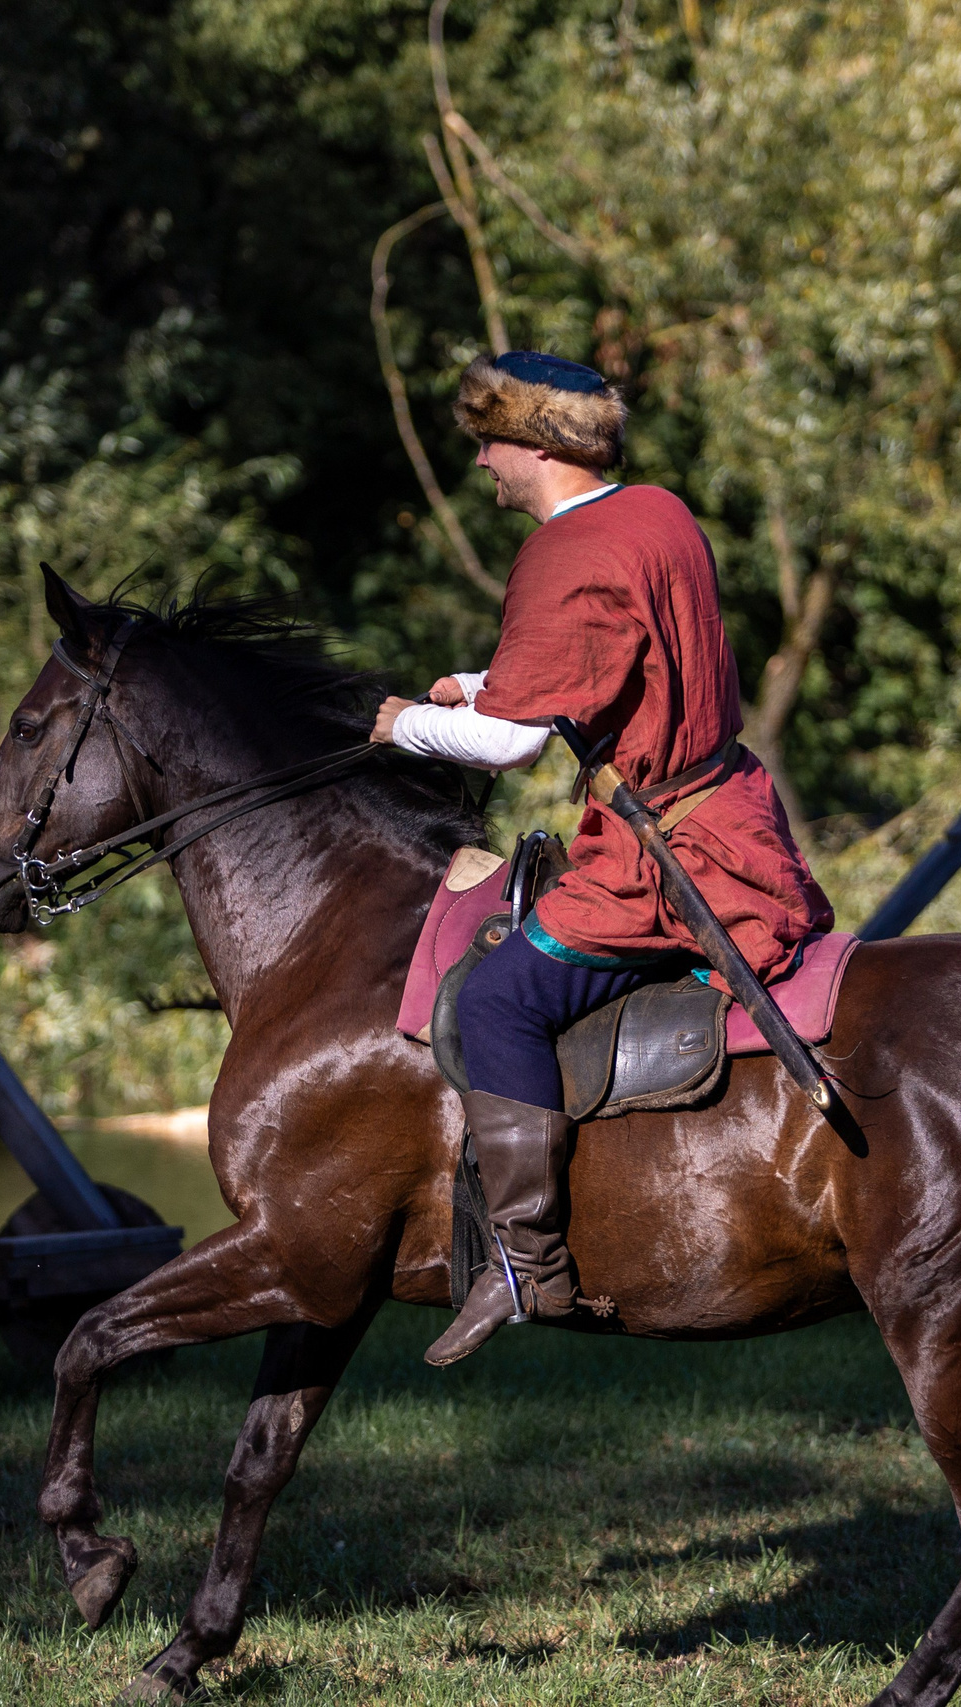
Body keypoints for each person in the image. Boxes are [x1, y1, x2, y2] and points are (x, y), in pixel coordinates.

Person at [371, 349, 833, 1366]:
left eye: (487, 442)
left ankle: (527, 1265)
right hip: (730, 814)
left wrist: (400, 721)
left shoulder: (559, 553)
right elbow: (602, 658)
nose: (481, 464)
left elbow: (509, 744)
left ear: (535, 445)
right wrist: (473, 679)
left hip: (664, 852)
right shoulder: (655, 512)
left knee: (496, 999)